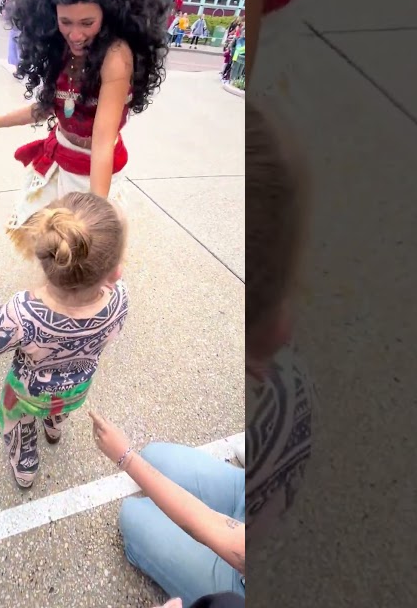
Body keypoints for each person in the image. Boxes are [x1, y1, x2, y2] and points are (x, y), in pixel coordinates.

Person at [90, 101, 312, 605]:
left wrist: (122, 456)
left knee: (134, 513)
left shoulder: (289, 402)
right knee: (157, 460)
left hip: (244, 570)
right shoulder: (287, 357)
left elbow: (236, 549)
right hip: (250, 492)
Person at [0, 0, 170, 241]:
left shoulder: (115, 57)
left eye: (87, 23)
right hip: (60, 161)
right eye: (65, 21)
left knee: (93, 254)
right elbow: (48, 106)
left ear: (110, 13)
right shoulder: (59, 46)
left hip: (94, 173)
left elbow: (103, 143)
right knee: (52, 246)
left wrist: (96, 214)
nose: (75, 35)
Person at [0, 192, 129, 488]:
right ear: (116, 270)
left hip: (27, 394)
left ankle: (25, 465)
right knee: (59, 407)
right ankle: (55, 427)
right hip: (76, 388)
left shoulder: (25, 312)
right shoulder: (120, 299)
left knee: (19, 421)